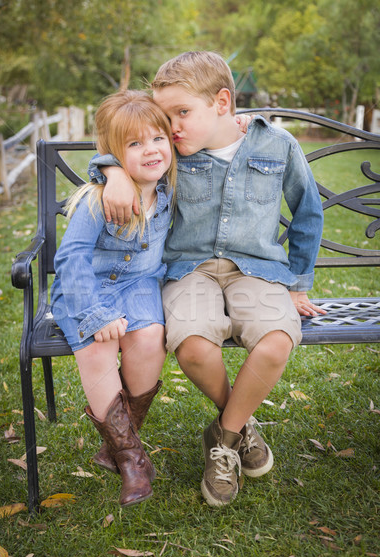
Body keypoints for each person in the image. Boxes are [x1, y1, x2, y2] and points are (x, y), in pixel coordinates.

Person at [87, 51, 326, 507]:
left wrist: (298, 282)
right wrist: (112, 170)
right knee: (194, 346)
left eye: (182, 113)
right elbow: (124, 142)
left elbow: (308, 213)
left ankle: (226, 438)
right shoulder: (172, 149)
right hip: (189, 270)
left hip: (257, 270)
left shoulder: (276, 144)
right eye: (167, 116)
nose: (172, 127)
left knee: (276, 341)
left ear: (222, 102)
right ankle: (243, 424)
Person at [50, 90, 176, 507]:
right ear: (114, 155)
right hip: (84, 287)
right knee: (98, 346)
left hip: (139, 284)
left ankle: (118, 442)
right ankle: (132, 459)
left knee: (149, 338)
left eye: (158, 138)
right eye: (135, 144)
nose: (152, 151)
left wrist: (243, 124)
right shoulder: (98, 198)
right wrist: (94, 312)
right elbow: (70, 260)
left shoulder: (169, 188)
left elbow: (213, 138)